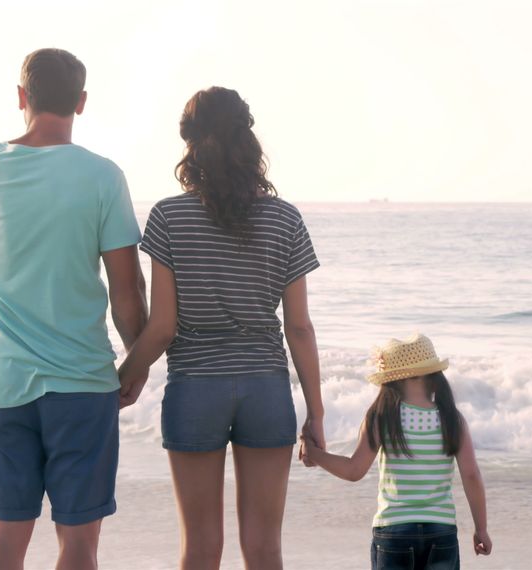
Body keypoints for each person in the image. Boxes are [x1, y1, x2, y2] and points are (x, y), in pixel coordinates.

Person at [119, 86, 326, 570]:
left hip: (195, 390)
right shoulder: (285, 218)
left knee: (200, 547)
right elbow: (299, 328)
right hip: (265, 389)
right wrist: (315, 412)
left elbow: (162, 328)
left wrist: (123, 374)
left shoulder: (169, 217)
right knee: (264, 548)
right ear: (247, 138)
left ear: (189, 143)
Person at [0, 48, 148, 570]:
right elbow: (126, 292)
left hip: (4, 389)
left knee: (3, 544)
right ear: (82, 103)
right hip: (83, 385)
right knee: (80, 547)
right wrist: (138, 361)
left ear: (23, 97)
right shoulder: (103, 177)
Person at [300, 334, 492, 570]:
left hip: (394, 531)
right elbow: (471, 475)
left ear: (390, 380)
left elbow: (354, 470)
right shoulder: (451, 418)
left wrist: (314, 454)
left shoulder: (383, 416)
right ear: (434, 376)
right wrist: (480, 528)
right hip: (441, 531)